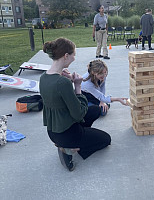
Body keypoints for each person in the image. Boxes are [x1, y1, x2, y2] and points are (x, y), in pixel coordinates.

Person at [39, 38, 111, 171]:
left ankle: (73, 142)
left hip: (53, 130)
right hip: (67, 133)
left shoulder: (44, 77)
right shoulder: (62, 82)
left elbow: (61, 101)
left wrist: (66, 79)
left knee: (95, 109)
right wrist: (77, 86)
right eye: (73, 55)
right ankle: (70, 149)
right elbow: (78, 114)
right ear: (66, 56)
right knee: (106, 140)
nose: (74, 58)